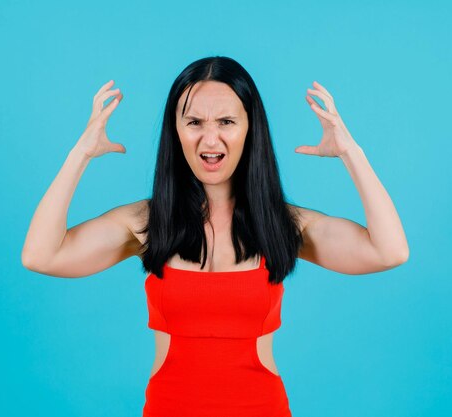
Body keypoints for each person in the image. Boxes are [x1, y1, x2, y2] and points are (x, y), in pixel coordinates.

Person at [21, 56, 409, 416]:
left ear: (250, 127)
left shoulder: (283, 225)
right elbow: (41, 255)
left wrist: (350, 152)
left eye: (226, 122)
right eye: (194, 123)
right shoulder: (147, 223)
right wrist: (80, 154)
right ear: (176, 130)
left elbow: (388, 251)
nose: (210, 140)